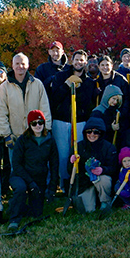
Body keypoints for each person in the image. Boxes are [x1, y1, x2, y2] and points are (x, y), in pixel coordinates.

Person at [0, 52, 51, 195]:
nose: (20, 66)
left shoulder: (37, 84)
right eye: (17, 64)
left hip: (35, 134)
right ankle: (20, 195)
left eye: (23, 64)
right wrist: (6, 134)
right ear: (12, 66)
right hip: (15, 136)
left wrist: (47, 129)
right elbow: (1, 113)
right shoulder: (4, 87)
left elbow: (44, 107)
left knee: (37, 166)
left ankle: (38, 194)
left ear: (27, 66)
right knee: (17, 168)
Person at [8, 110, 59, 230]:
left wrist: (52, 188)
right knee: (21, 188)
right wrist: (30, 183)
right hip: (20, 176)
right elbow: (16, 164)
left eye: (40, 122)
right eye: (34, 123)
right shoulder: (22, 140)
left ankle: (15, 205)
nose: (38, 126)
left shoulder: (50, 141)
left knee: (37, 213)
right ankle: (14, 219)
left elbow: (54, 165)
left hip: (39, 178)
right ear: (29, 125)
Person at [51, 50, 94, 186]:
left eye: (81, 60)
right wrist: (67, 86)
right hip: (61, 121)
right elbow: (54, 98)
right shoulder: (60, 76)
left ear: (85, 63)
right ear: (72, 60)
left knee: (77, 154)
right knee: (63, 155)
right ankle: (64, 184)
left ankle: (76, 182)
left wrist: (78, 89)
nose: (78, 62)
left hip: (80, 121)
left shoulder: (89, 82)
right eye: (76, 59)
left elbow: (88, 104)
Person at [67, 116, 118, 213]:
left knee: (104, 180)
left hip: (100, 179)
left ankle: (105, 202)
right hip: (85, 182)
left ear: (101, 133)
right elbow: (69, 171)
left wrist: (103, 170)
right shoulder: (78, 147)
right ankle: (92, 200)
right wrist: (72, 163)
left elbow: (113, 168)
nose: (92, 135)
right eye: (89, 131)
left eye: (96, 132)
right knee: (88, 210)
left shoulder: (109, 147)